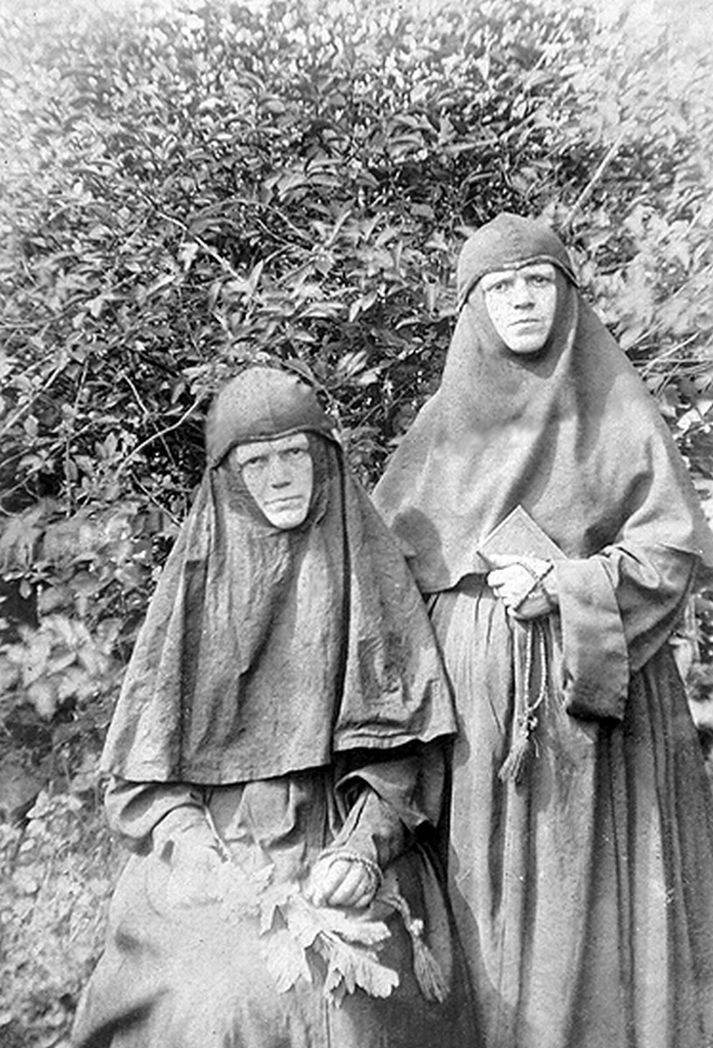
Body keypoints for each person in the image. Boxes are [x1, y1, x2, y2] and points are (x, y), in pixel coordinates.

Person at [373, 212, 713, 1048]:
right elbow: (384, 581)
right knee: (489, 914)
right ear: (472, 308)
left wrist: (566, 585)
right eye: (500, 286)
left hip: (606, 729)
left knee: (601, 909)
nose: (521, 300)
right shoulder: (437, 435)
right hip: (479, 737)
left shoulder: (615, 412)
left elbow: (670, 549)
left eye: (537, 281)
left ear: (565, 294)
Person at [72, 366, 475, 1048]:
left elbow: (406, 755)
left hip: (340, 832)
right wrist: (193, 849)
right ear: (229, 480)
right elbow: (144, 777)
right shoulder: (194, 589)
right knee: (212, 1003)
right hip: (217, 848)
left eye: (294, 455)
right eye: (256, 463)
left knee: (347, 1001)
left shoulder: (368, 571)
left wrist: (361, 850)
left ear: (323, 462)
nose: (281, 478)